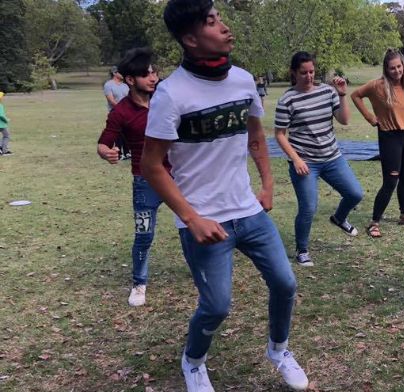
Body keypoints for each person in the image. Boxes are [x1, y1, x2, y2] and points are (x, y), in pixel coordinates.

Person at [141, 1, 308, 390]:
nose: (225, 28)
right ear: (190, 38)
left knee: (286, 284)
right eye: (213, 23)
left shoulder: (244, 80)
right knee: (216, 306)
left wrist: (267, 185)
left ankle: (279, 350)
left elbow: (255, 138)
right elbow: (151, 165)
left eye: (220, 19)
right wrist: (191, 217)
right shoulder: (171, 93)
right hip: (203, 219)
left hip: (248, 210)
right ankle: (194, 360)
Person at [275, 51, 363, 267]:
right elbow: (279, 134)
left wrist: (342, 94)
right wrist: (296, 159)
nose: (309, 76)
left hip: (332, 157)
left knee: (355, 194)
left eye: (312, 71)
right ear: (294, 73)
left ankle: (339, 218)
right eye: (303, 72)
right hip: (305, 163)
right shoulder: (287, 100)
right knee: (308, 207)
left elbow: (344, 121)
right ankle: (302, 250)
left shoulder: (327, 92)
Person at [97, 48, 167, 307]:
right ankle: (139, 283)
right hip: (145, 181)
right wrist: (108, 153)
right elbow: (103, 143)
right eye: (146, 74)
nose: (153, 78)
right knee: (144, 235)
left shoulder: (166, 99)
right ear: (130, 80)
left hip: (178, 177)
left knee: (193, 227)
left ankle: (202, 272)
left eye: (154, 73)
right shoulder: (121, 112)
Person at [351, 49, 404, 239]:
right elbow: (356, 95)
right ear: (386, 69)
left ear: (403, 66)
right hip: (389, 137)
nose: (396, 71)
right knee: (391, 181)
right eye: (392, 68)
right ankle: (374, 222)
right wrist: (370, 117)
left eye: (399, 66)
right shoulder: (378, 86)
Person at [104, 65, 131, 160]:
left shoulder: (125, 85)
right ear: (115, 73)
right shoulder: (109, 84)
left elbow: (129, 98)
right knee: (118, 133)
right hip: (115, 111)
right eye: (121, 72)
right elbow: (111, 100)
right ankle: (119, 153)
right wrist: (121, 109)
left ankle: (127, 152)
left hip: (126, 111)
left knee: (126, 132)